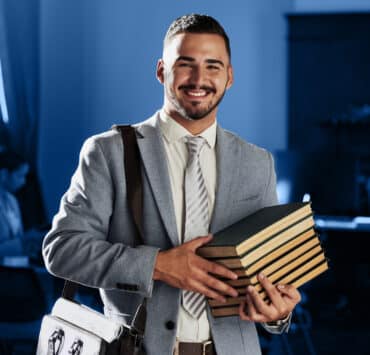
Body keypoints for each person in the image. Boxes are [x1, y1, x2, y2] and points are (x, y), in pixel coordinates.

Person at [43, 14, 301, 355]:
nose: (199, 79)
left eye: (213, 66)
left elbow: (270, 279)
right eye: (185, 64)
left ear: (230, 76)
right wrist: (158, 265)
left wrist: (278, 315)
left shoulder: (258, 163)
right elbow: (62, 250)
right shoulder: (109, 151)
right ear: (162, 70)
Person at [0, 150, 44, 259]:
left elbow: (18, 236)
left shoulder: (12, 200)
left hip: (17, 266)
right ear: (4, 174)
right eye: (20, 176)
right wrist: (24, 242)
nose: (24, 182)